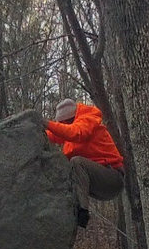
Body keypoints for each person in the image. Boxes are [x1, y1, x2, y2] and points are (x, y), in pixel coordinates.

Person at [45, 98, 125, 228]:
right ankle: (66, 212)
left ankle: (82, 211)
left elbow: (75, 133)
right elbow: (54, 135)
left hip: (112, 177)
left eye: (64, 123)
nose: (63, 125)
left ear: (71, 118)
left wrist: (46, 123)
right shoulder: (71, 129)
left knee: (77, 162)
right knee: (65, 167)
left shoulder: (87, 121)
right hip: (96, 183)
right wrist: (36, 129)